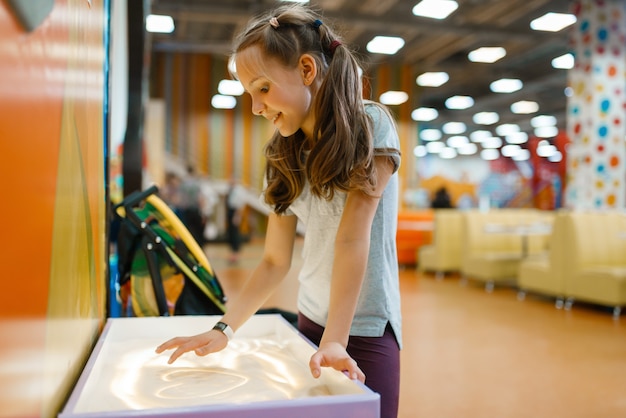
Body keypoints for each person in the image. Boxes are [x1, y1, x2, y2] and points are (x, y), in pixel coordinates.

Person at [155, 5, 402, 417]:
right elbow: (273, 260)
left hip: (364, 331)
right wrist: (224, 328)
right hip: (311, 322)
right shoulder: (283, 152)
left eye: (263, 89)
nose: (255, 107)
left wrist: (336, 341)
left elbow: (352, 238)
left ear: (307, 69)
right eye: (249, 94)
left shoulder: (371, 124)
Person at [225, 178, 247, 264]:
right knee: (231, 233)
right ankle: (232, 253)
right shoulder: (231, 190)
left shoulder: (238, 191)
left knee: (235, 234)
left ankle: (236, 253)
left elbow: (240, 205)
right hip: (230, 212)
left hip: (235, 212)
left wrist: (237, 216)